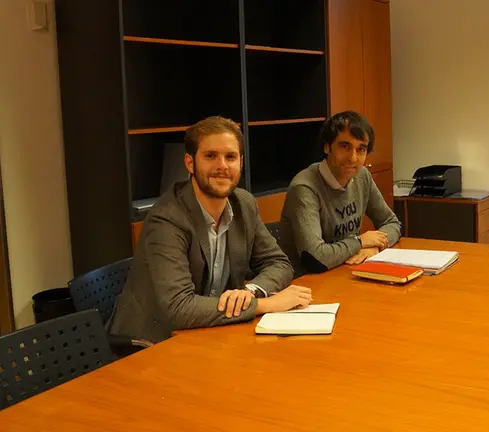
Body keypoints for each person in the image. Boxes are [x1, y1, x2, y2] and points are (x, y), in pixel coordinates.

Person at [108, 116, 311, 343]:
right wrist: (264, 305)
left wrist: (250, 292)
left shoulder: (243, 204)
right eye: (210, 156)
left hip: (211, 330)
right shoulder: (166, 218)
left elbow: (278, 263)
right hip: (153, 342)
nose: (222, 166)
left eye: (230, 157)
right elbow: (178, 308)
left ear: (241, 163)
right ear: (190, 163)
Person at [279, 111, 401, 276]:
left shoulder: (362, 176)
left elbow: (392, 223)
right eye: (345, 146)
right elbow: (315, 258)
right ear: (327, 147)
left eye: (361, 149)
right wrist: (360, 242)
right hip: (305, 280)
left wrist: (375, 246)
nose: (353, 158)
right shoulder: (304, 188)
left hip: (345, 270)